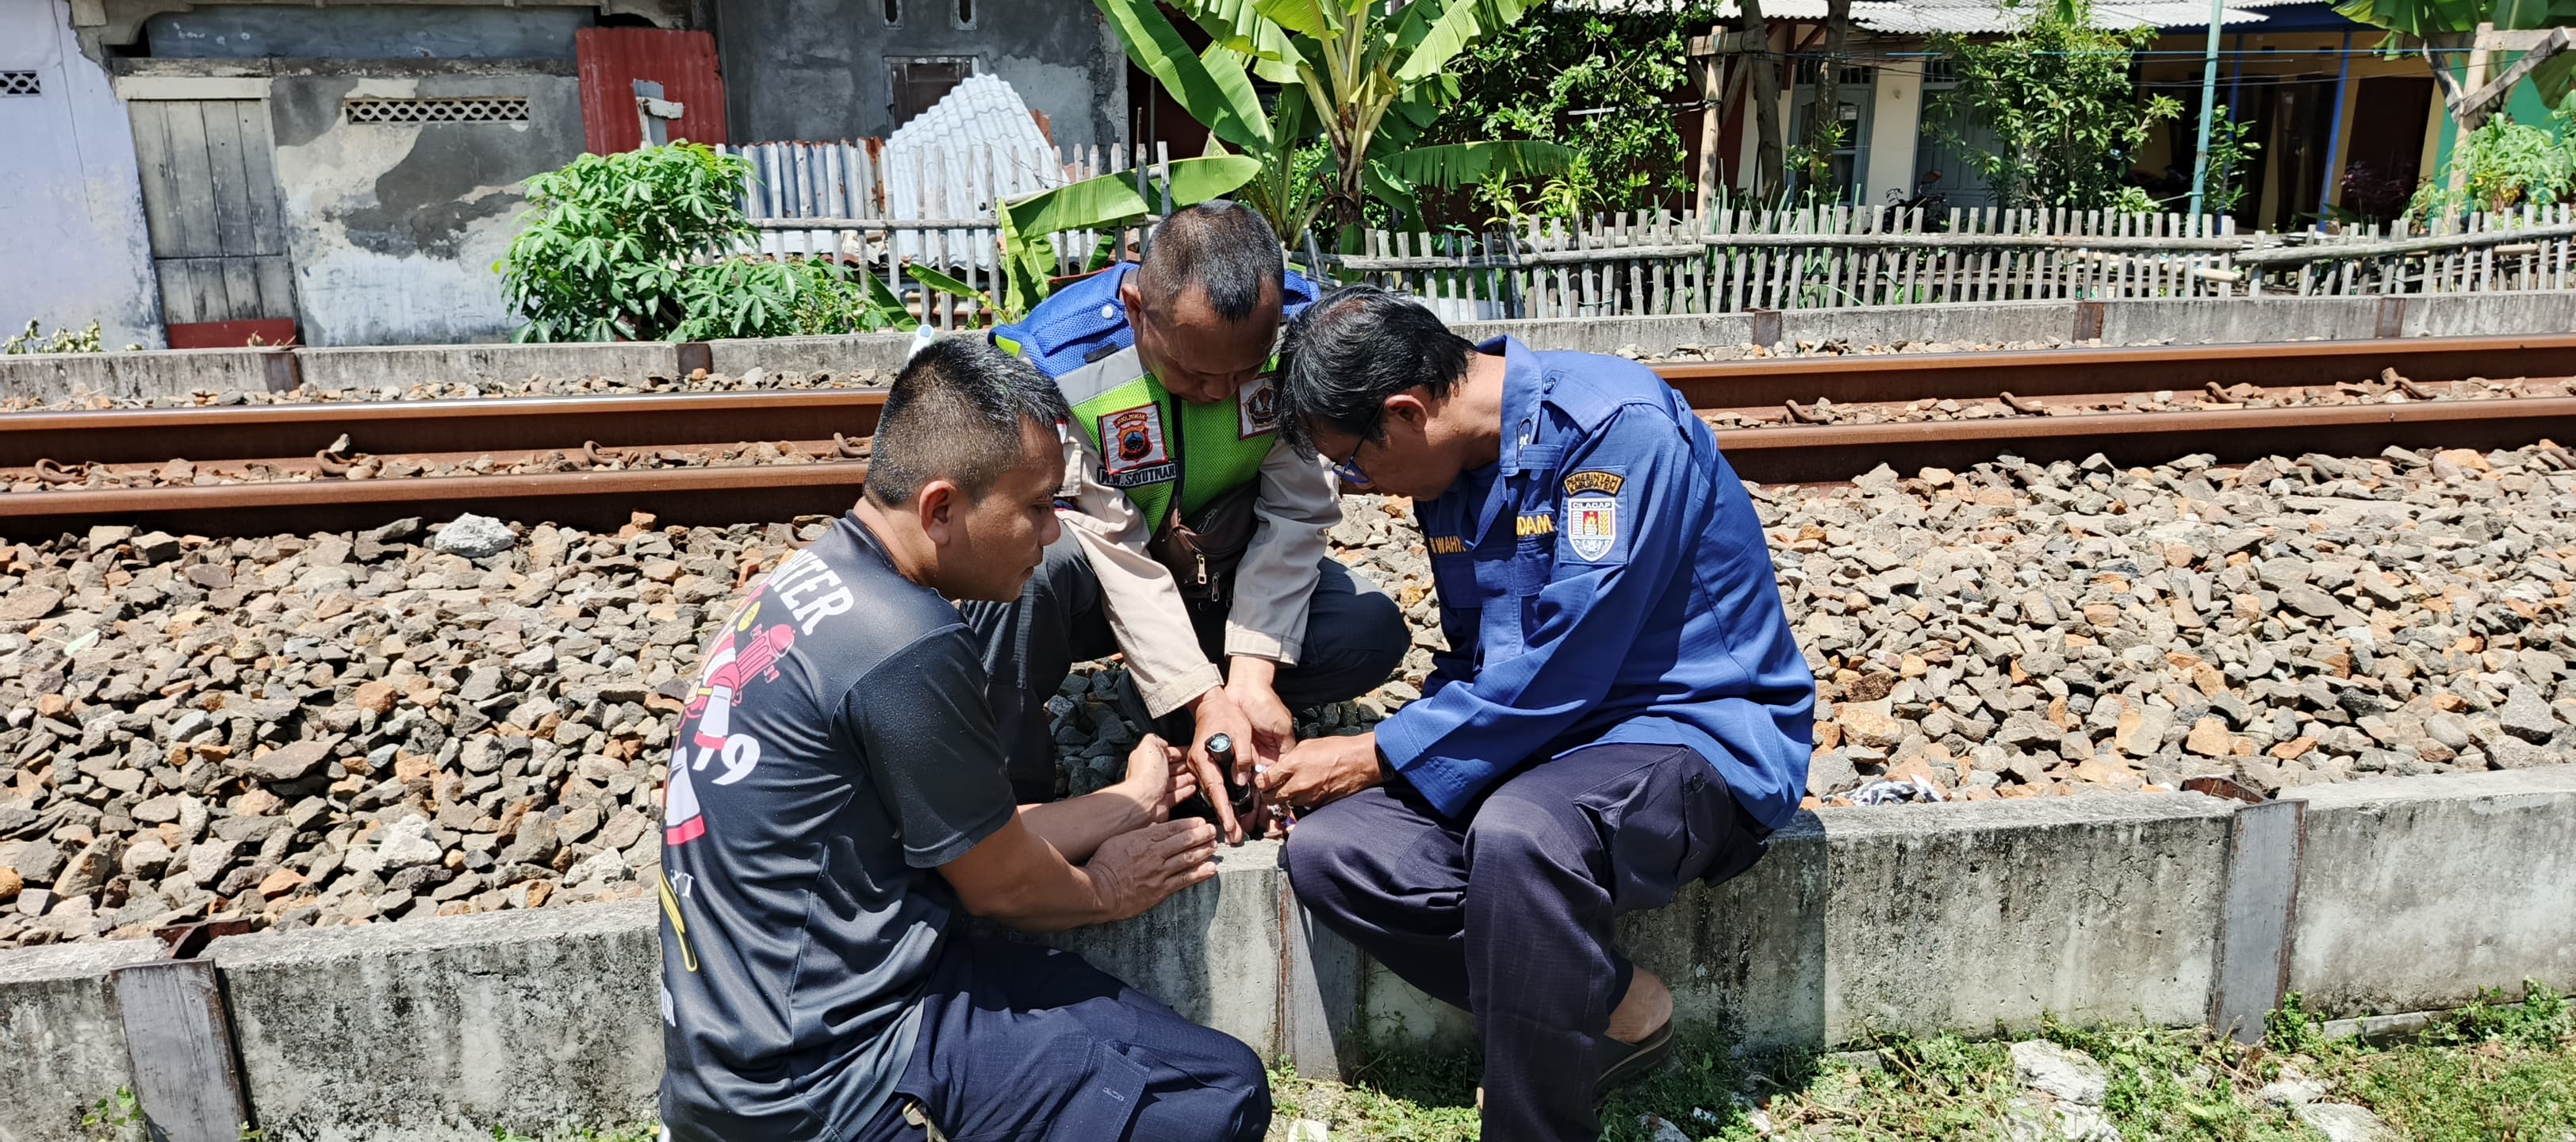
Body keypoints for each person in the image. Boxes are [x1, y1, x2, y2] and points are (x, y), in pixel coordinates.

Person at [657, 338, 1271, 1142]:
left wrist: (1129, 801)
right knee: (1211, 1100)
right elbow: (1003, 888)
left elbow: (971, 837)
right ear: (941, 508)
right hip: (833, 1076)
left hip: (741, 1062)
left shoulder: (806, 584)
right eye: (1039, 506)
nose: (1053, 535)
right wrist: (1106, 892)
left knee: (1204, 1071)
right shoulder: (908, 642)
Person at [1256, 287, 1815, 1142]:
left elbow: (1567, 667)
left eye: (1353, 464)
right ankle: (1619, 1008)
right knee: (1336, 851)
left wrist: (1374, 753)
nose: (1356, 487)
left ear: (1404, 413)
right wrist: (1361, 773)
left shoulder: (1612, 429)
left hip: (1686, 735)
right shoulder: (1451, 468)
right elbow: (1485, 658)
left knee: (1520, 833)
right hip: (1550, 747)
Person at [965, 201, 1409, 837]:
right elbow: (1111, 543)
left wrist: (1253, 678)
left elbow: (1295, 511)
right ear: (1137, 307)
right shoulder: (1061, 362)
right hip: (1103, 586)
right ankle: (1015, 815)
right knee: (1027, 574)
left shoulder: (1303, 339)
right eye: (1196, 373)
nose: (1222, 393)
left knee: (1368, 627)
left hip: (1221, 577)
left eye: (1245, 370)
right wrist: (1202, 696)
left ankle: (1188, 705)